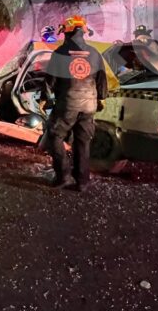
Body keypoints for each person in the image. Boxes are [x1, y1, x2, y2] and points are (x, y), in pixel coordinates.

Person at [43, 15, 107, 192]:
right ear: (83, 31)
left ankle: (63, 176)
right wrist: (101, 98)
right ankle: (83, 182)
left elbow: (50, 80)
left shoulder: (60, 53)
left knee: (54, 136)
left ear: (67, 32)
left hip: (68, 104)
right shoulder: (94, 53)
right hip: (89, 105)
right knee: (82, 142)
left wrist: (45, 99)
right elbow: (102, 80)